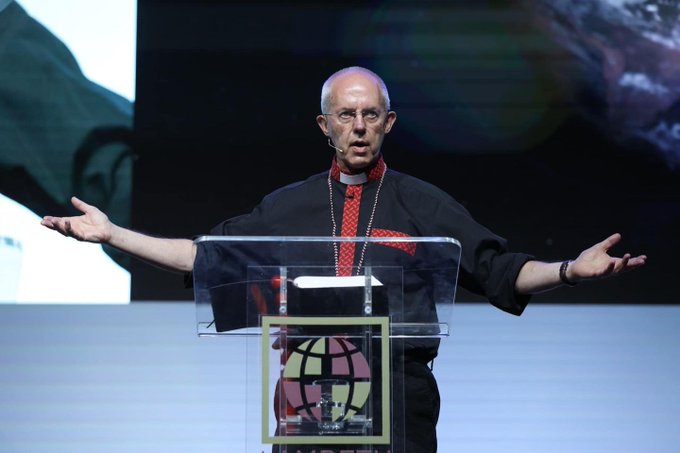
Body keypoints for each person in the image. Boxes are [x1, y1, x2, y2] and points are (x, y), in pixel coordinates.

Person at [41, 66, 646, 452]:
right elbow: (204, 258)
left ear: (389, 122)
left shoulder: (423, 204)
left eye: (370, 114)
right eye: (345, 115)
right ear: (324, 124)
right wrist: (115, 234)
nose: (359, 127)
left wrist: (568, 270)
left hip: (399, 400)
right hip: (308, 393)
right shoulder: (288, 206)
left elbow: (501, 270)